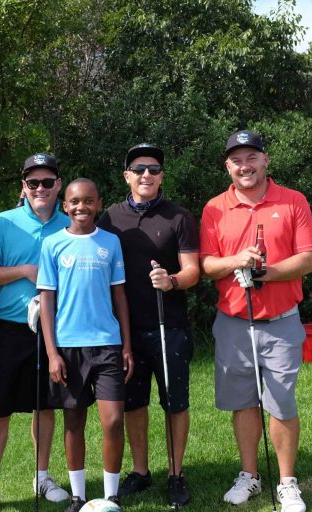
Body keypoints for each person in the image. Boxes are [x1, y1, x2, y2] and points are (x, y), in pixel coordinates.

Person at [199, 130, 312, 512]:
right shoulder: (214, 208)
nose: (244, 165)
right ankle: (250, 476)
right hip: (233, 321)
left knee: (281, 402)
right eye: (236, 160)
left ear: (265, 160)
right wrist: (238, 261)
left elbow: (308, 259)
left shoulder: (293, 201)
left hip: (281, 320)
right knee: (243, 402)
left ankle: (287, 483)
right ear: (227, 166)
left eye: (251, 157)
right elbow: (206, 265)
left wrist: (265, 273)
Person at [97, 143, 199, 507]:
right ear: (126, 175)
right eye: (139, 169)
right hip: (124, 329)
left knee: (175, 403)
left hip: (168, 326)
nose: (146, 175)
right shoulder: (109, 217)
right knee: (133, 405)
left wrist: (171, 280)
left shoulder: (179, 217)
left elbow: (193, 272)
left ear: (161, 176)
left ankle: (176, 473)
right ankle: (141, 471)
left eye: (154, 169)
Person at [0, 153, 71, 512]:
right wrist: (26, 270)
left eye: (48, 182)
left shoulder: (69, 224)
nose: (41, 188)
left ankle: (42, 475)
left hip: (55, 331)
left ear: (58, 185)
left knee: (45, 407)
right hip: (11, 330)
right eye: (34, 183)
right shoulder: (4, 223)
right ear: (24, 188)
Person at [37, 178, 134, 512]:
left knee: (112, 421)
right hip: (67, 348)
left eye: (88, 201)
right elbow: (46, 301)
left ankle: (110, 496)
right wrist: (52, 353)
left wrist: (126, 345)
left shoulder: (110, 242)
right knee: (74, 421)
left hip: (107, 345)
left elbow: (119, 295)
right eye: (75, 202)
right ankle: (78, 496)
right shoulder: (52, 244)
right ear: (65, 205)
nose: (82, 207)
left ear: (99, 203)